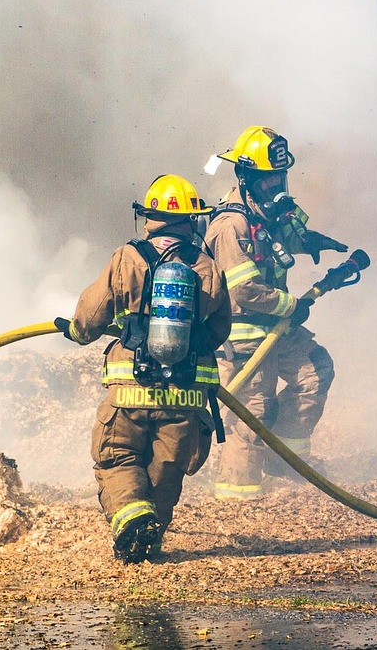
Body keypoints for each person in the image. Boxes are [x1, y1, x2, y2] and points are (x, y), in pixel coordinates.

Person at [57, 174, 231, 563]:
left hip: (130, 389)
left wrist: (77, 331)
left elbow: (90, 316)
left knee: (118, 457)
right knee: (167, 472)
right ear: (194, 221)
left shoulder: (128, 257)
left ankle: (134, 525)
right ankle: (148, 541)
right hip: (185, 396)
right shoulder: (207, 267)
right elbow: (219, 329)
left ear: (148, 217)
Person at [205, 125, 349, 499]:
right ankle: (238, 496)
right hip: (241, 337)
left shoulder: (264, 213)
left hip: (278, 330)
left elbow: (282, 239)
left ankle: (285, 465)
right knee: (252, 414)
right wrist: (292, 305)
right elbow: (244, 289)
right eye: (267, 179)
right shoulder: (230, 224)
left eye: (279, 176)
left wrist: (313, 241)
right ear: (245, 176)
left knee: (315, 371)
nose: (276, 185)